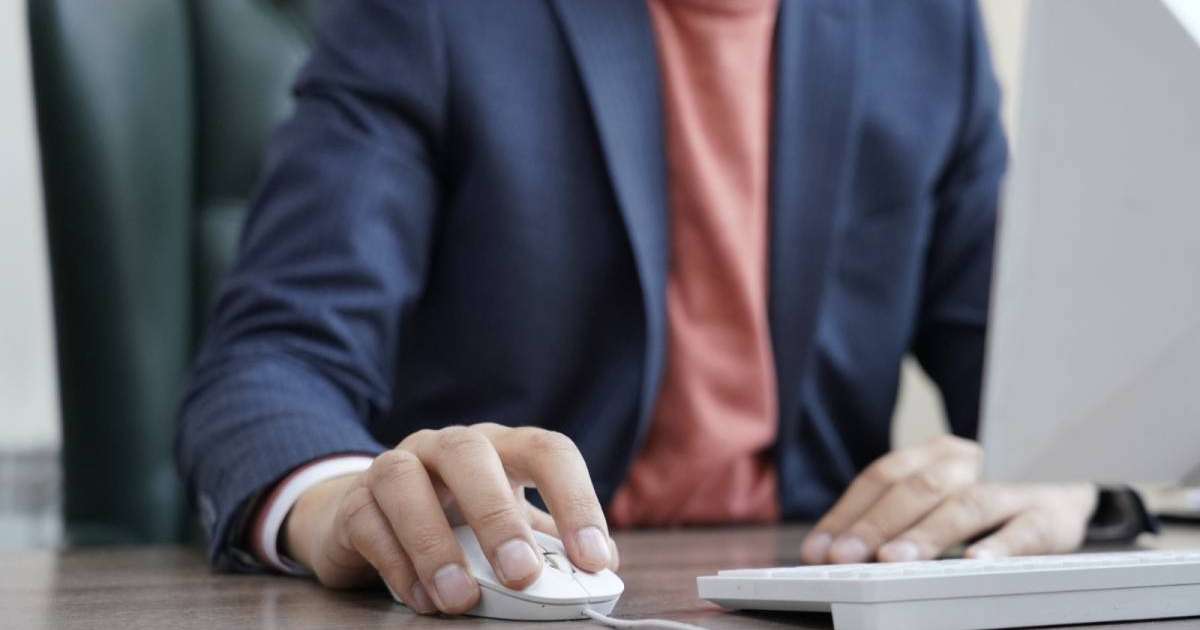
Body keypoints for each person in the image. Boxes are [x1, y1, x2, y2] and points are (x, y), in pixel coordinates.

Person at [176, 0, 1148, 618]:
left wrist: (1068, 478)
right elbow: (270, 360)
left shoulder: (924, 24)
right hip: (512, 590)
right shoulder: (434, 16)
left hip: (809, 588)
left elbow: (1034, 381)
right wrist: (343, 501)